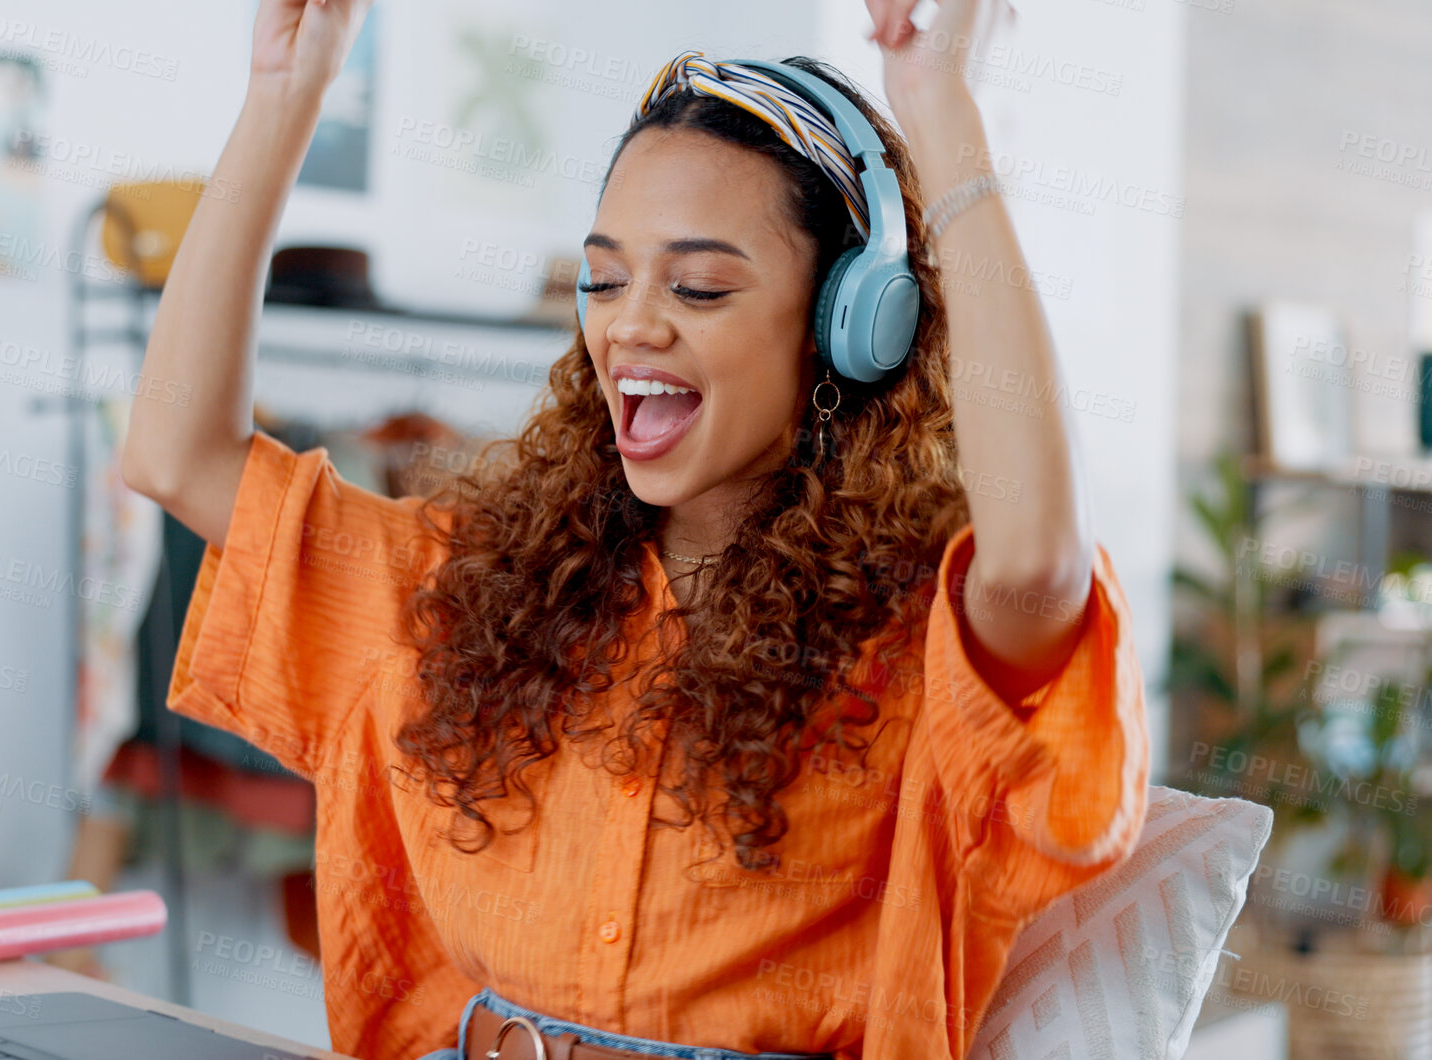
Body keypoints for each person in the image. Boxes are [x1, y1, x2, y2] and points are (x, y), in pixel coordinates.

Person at [120, 0, 1149, 1057]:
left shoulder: (918, 649)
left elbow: (1034, 564)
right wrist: (283, 98)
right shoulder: (466, 591)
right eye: (603, 278)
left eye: (698, 286)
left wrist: (945, 122)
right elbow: (175, 453)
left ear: (855, 324)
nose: (630, 324)